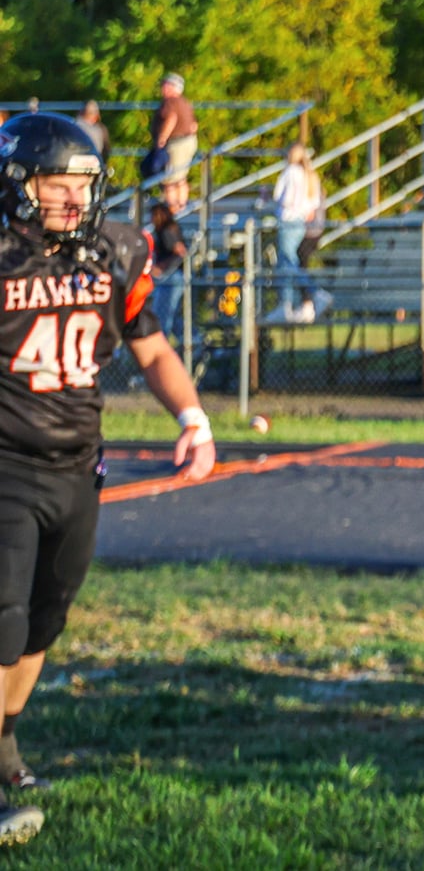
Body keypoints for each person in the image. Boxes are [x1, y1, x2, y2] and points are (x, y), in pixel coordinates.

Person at [0, 114, 216, 845]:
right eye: (56, 181)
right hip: (3, 464)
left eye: (84, 182)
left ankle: (4, 741)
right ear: (19, 184)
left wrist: (193, 418)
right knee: (1, 622)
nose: (72, 196)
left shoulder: (113, 251)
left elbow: (150, 348)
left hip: (76, 464)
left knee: (44, 621)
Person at [271, 142, 324, 323]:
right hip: (301, 222)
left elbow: (279, 196)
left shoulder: (290, 172)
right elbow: (314, 203)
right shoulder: (309, 175)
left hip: (288, 220)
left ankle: (294, 301)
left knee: (287, 263)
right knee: (289, 261)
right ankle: (301, 299)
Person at [149, 74, 200, 214]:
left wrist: (162, 138)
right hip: (189, 141)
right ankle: (181, 207)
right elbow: (194, 125)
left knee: (170, 179)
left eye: (165, 85)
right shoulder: (185, 102)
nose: (162, 88)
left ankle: (173, 209)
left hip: (177, 144)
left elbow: (171, 118)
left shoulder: (170, 102)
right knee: (181, 177)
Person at [147, 200, 188, 342]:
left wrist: (162, 268)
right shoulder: (166, 230)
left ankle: (160, 344)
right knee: (172, 314)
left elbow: (180, 252)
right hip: (170, 278)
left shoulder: (167, 230)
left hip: (171, 278)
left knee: (163, 315)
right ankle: (193, 341)